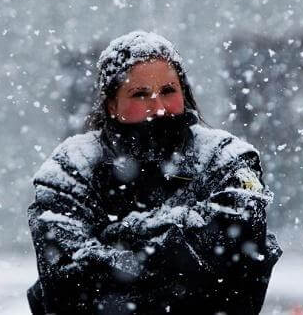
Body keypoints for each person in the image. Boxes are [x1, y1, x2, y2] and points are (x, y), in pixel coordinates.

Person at [26, 30, 282, 315]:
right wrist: (184, 249)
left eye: (168, 91)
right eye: (140, 94)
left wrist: (117, 237)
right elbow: (65, 284)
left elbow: (238, 256)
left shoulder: (228, 158)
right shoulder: (71, 167)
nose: (159, 107)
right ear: (112, 104)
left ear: (184, 93)